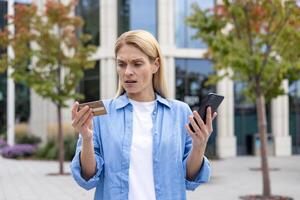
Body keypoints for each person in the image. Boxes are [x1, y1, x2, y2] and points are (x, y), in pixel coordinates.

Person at [70, 30, 217, 200]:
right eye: (122, 64)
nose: (128, 72)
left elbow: (190, 178)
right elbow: (88, 178)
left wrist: (199, 145)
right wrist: (86, 139)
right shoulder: (102, 114)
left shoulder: (180, 112)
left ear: (155, 65)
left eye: (137, 64)